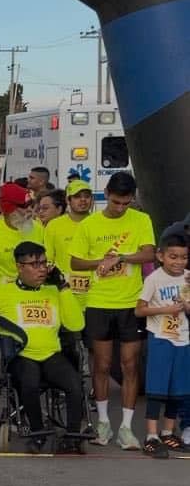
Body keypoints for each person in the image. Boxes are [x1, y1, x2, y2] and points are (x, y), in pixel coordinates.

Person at [70, 171, 155, 450]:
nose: (120, 208)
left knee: (130, 365)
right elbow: (76, 262)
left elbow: (149, 253)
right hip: (98, 302)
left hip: (131, 303)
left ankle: (127, 428)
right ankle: (104, 422)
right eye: (116, 202)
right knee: (102, 365)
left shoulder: (141, 219)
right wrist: (101, 263)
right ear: (106, 194)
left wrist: (120, 257)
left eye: (126, 203)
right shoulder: (90, 225)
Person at [0, 241, 86, 452]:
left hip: (51, 353)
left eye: (44, 263)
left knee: (74, 383)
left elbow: (76, 324)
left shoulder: (54, 291)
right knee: (29, 381)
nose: (42, 268)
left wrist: (63, 287)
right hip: (20, 355)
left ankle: (73, 436)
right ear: (19, 266)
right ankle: (37, 432)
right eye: (34, 264)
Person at [134, 234, 190, 458]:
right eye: (173, 257)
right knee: (157, 389)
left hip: (183, 338)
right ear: (161, 256)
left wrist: (185, 306)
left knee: (178, 390)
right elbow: (139, 310)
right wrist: (164, 310)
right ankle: (151, 436)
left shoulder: (187, 278)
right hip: (160, 338)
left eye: (184, 257)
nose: (178, 262)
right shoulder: (153, 280)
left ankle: (168, 432)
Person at [44, 180, 94, 305]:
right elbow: (48, 258)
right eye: (77, 197)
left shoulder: (100, 223)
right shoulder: (54, 225)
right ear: (68, 200)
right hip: (65, 292)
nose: (83, 200)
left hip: (95, 294)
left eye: (87, 196)